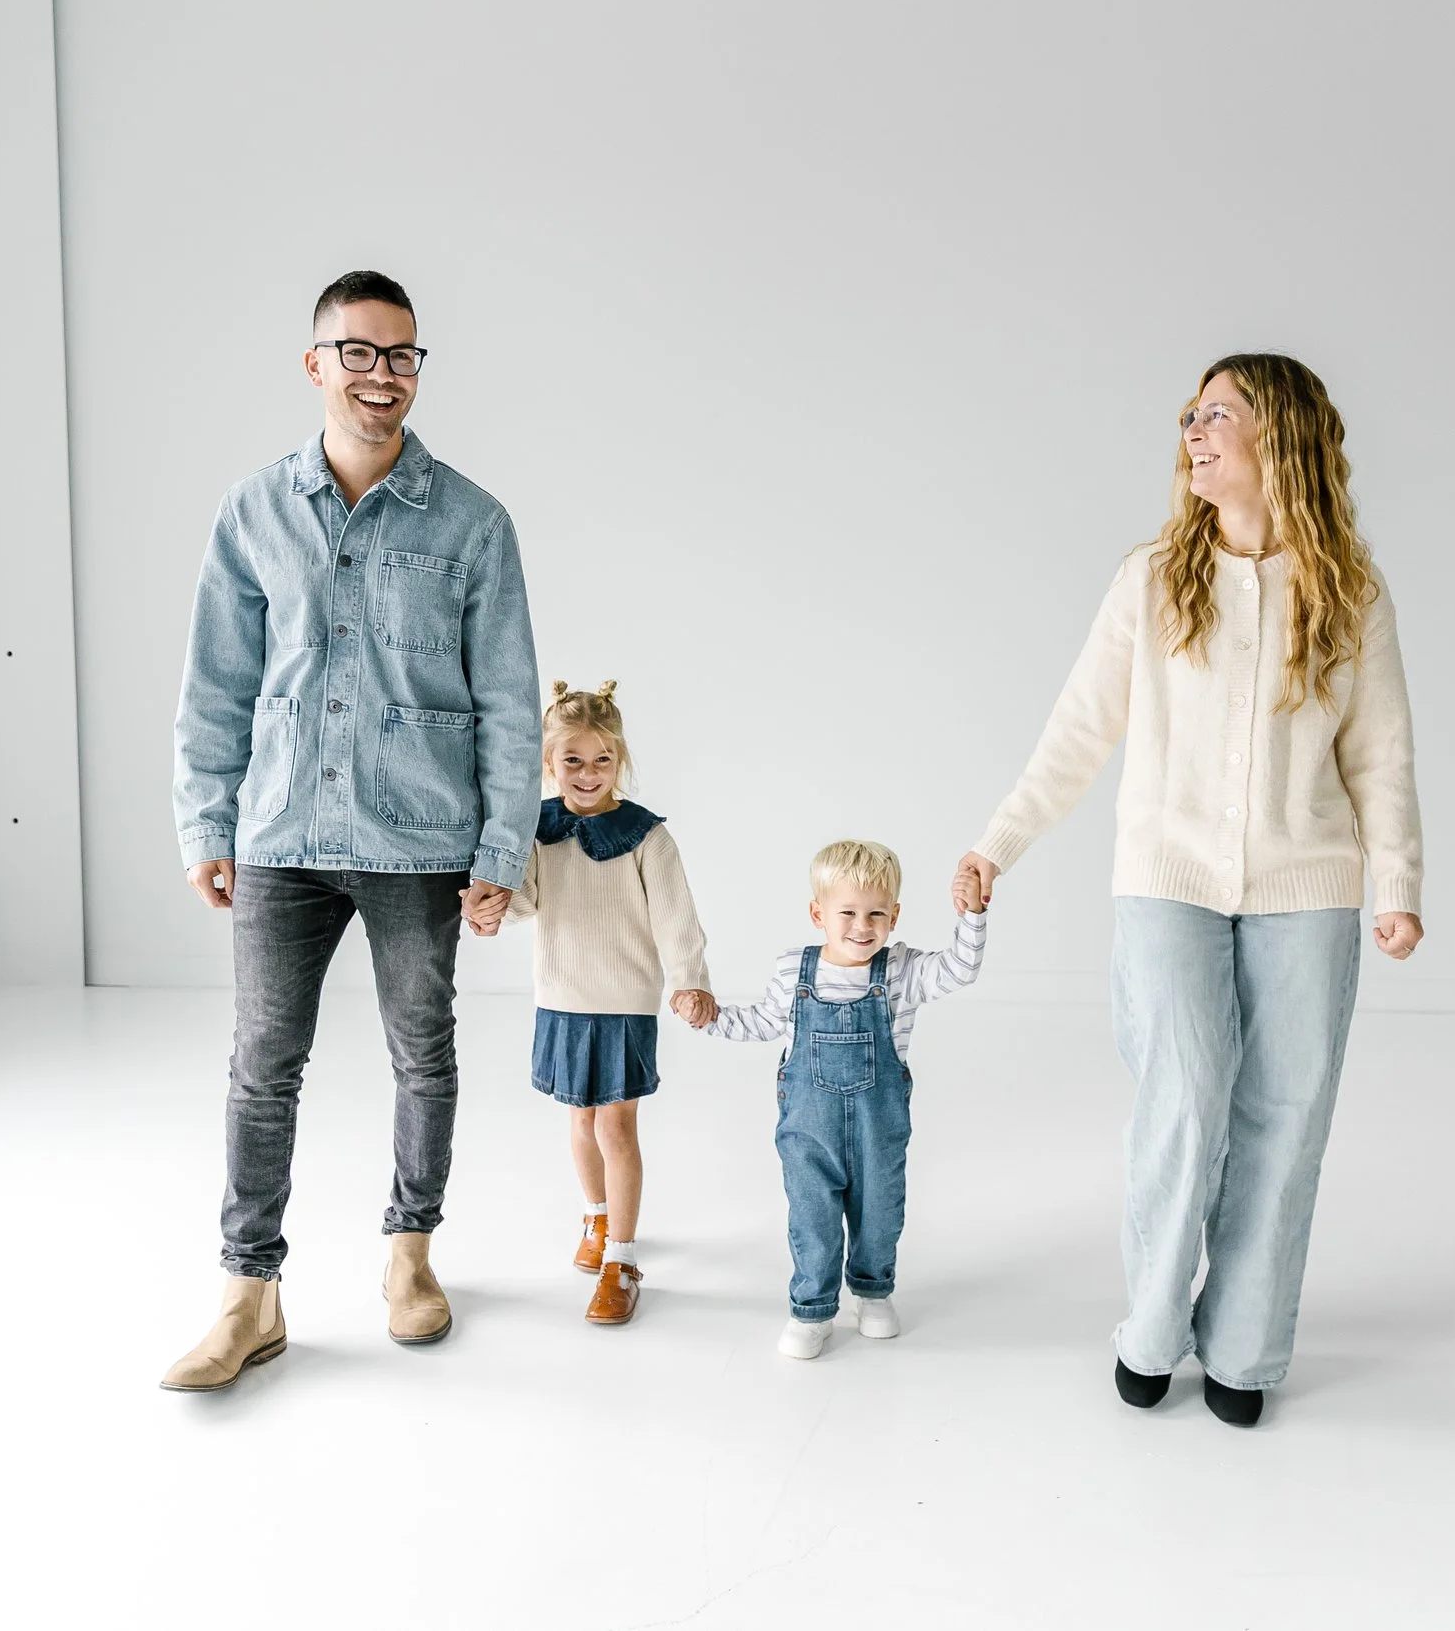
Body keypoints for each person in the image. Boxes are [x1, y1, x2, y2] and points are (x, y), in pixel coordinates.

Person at [957, 353, 1423, 1427]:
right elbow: (1079, 728)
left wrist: (1395, 881)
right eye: (1189, 414)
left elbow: (1382, 755)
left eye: (1218, 412)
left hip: (1308, 884)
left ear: (1280, 434)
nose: (1193, 431)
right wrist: (997, 843)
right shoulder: (1153, 577)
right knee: (1185, 1096)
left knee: (1286, 1113)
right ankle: (1154, 1324)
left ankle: (1243, 1348)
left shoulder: (1351, 590)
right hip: (1166, 878)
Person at [161, 270, 542, 1392]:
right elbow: (216, 683)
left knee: (423, 1052)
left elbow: (510, 701)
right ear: (316, 362)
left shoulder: (473, 522)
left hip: (420, 838)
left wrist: (501, 850)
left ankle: (410, 1254)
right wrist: (206, 818)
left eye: (402, 354)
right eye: (361, 352)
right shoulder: (253, 511)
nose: (384, 375)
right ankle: (248, 1293)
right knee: (261, 1064)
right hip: (280, 830)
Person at [699, 841, 989, 1359]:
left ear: (894, 916)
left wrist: (971, 914)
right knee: (812, 1218)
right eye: (848, 913)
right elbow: (762, 1022)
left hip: (880, 1129)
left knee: (880, 1212)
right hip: (809, 1130)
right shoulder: (794, 971)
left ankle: (873, 1292)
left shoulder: (901, 971)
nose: (862, 926)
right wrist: (711, 1017)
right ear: (818, 914)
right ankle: (811, 1309)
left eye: (877, 914)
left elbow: (960, 969)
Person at [497, 681, 717, 1327]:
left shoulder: (647, 836)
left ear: (619, 759)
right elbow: (523, 901)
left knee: (615, 1127)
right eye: (573, 760)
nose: (588, 773)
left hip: (624, 1000)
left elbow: (676, 917)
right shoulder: (536, 828)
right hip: (561, 996)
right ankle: (596, 1217)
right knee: (580, 1119)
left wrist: (690, 979)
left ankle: (622, 1259)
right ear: (549, 762)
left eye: (602, 760)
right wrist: (486, 893)